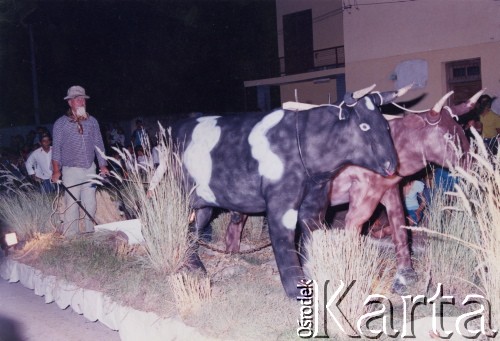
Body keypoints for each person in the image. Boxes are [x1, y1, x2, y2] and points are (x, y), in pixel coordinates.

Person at [51, 85, 109, 237]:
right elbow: (56, 149)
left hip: (90, 169)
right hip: (71, 171)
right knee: (72, 205)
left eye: (83, 99)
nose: (81, 102)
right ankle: (71, 236)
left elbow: (99, 145)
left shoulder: (93, 121)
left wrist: (103, 165)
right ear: (70, 102)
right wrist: (56, 171)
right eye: (77, 99)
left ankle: (91, 232)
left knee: (90, 204)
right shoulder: (60, 124)